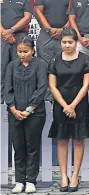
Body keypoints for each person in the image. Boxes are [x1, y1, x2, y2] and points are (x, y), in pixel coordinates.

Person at [47, 28, 89, 192]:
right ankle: (64, 176)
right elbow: (52, 86)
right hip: (60, 104)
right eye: (64, 42)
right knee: (61, 139)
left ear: (76, 42)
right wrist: (65, 106)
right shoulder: (54, 61)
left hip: (79, 104)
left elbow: (86, 85)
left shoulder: (85, 59)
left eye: (70, 42)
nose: (67, 45)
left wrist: (73, 105)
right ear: (60, 43)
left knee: (78, 139)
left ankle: (75, 175)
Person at [4, 37, 48, 194]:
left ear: (33, 51)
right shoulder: (12, 66)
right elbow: (7, 88)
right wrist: (13, 108)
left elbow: (42, 88)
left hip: (35, 113)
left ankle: (30, 180)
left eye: (25, 51)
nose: (22, 55)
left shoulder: (40, 65)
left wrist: (29, 109)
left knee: (32, 146)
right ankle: (19, 181)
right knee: (18, 147)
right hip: (15, 113)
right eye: (19, 52)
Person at [1, 0, 34, 102]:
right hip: (1, 36)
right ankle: (1, 102)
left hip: (20, 37)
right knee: (1, 71)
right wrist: (4, 32)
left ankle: (18, 102)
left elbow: (27, 17)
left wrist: (11, 31)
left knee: (19, 71)